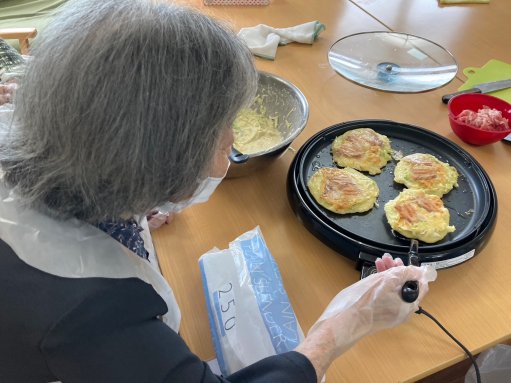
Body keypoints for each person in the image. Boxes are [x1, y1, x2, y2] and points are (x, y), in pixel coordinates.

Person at [0, 0, 435, 382]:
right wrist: (350, 321)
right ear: (157, 157)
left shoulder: (39, 136)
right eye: (223, 131)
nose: (231, 142)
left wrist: (132, 207)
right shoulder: (96, 315)